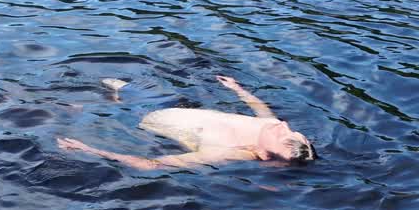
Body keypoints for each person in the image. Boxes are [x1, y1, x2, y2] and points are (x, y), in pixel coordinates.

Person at [57, 75, 316, 170]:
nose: (283, 126)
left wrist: (89, 150)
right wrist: (237, 88)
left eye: (283, 134)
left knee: (75, 105)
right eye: (293, 131)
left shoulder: (224, 153)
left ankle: (111, 104)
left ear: (262, 154)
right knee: (109, 80)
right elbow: (261, 109)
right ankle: (115, 97)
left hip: (139, 118)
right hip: (170, 105)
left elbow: (153, 165)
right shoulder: (271, 127)